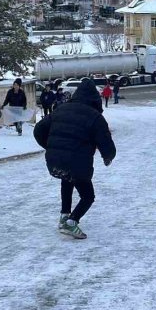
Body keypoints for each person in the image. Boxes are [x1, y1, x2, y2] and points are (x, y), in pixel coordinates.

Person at [33, 78, 116, 240]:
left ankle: (64, 215)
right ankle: (71, 222)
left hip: (54, 160)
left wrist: (50, 147)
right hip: (77, 162)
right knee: (88, 196)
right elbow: (106, 143)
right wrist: (108, 157)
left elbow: (38, 129)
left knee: (67, 179)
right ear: (95, 98)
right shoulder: (95, 117)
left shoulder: (61, 109)